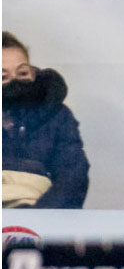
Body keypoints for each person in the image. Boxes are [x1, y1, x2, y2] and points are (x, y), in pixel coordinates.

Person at [2, 31, 90, 208]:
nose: (15, 82)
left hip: (39, 210)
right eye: (3, 77)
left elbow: (73, 174)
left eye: (22, 73)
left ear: (33, 73)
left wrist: (42, 217)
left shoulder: (58, 116)